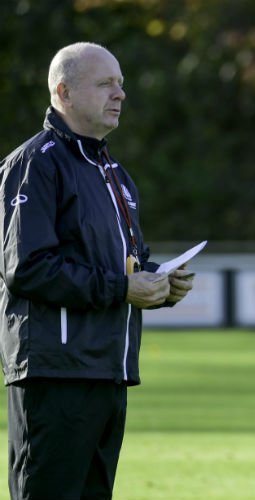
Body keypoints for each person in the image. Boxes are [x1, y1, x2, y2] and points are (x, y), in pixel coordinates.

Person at [0, 42, 195, 500]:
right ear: (64, 92)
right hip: (55, 373)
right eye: (106, 83)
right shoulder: (36, 164)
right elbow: (25, 267)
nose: (120, 94)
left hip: (109, 370)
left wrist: (160, 282)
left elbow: (123, 266)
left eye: (121, 84)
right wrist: (123, 287)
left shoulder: (114, 174)